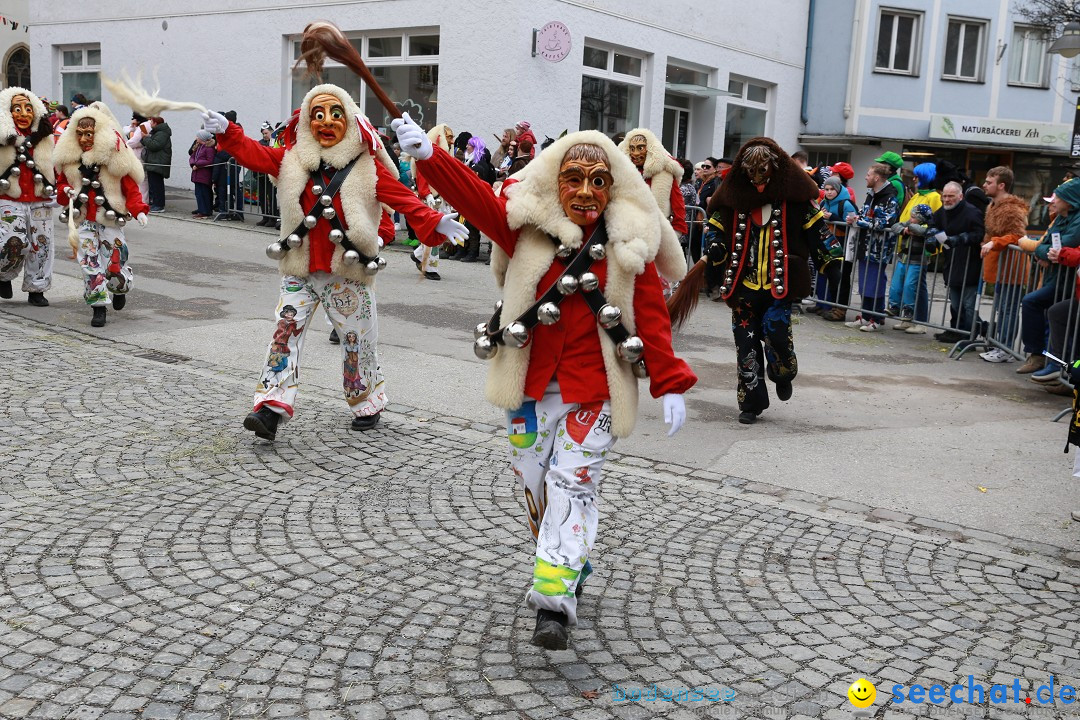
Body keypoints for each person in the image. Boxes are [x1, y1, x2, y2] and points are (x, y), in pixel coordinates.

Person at [394, 114, 694, 650]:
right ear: (555, 178)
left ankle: (553, 600)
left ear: (613, 185)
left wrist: (668, 380)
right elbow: (478, 202)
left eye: (598, 180)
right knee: (535, 484)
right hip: (528, 384)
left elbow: (651, 314)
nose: (585, 191)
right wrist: (429, 158)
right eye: (573, 178)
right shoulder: (526, 224)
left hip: (594, 388)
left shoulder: (630, 239)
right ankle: (569, 557)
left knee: (571, 483)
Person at [200, 84, 466, 440]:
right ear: (308, 122)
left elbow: (402, 198)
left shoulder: (366, 168)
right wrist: (228, 132)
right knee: (283, 336)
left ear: (350, 120)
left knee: (357, 341)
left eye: (335, 113)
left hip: (347, 273)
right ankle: (270, 407)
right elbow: (254, 153)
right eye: (318, 114)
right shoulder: (291, 162)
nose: (326, 121)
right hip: (299, 269)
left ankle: (367, 400)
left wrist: (434, 221)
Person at [676, 138, 833, 424]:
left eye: (764, 171)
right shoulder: (735, 200)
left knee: (776, 330)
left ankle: (783, 372)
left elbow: (817, 228)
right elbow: (715, 227)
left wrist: (831, 261)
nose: (758, 179)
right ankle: (751, 402)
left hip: (777, 287)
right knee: (745, 344)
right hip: (743, 287)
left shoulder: (793, 201)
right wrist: (715, 245)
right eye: (752, 172)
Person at [54, 102, 149, 327]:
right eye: (80, 134)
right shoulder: (70, 162)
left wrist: (139, 211)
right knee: (89, 263)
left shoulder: (115, 160)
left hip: (111, 221)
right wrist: (65, 191)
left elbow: (131, 190)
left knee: (116, 261)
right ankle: (98, 307)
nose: (85, 139)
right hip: (84, 220)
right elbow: (60, 188)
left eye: (90, 134)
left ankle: (119, 288)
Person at [0, 86, 57, 307]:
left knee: (41, 244)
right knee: (11, 241)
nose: (23, 114)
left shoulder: (45, 138)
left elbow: (57, 164)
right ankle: (4, 275)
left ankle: (37, 288)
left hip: (39, 198)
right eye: (17, 108)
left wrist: (58, 189)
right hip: (8, 197)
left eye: (28, 108)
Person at [1018, 180, 1080, 377]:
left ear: (1069, 201)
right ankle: (1042, 357)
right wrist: (1045, 254)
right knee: (1050, 313)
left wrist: (1047, 253)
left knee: (1040, 306)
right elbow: (1044, 245)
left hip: (1069, 282)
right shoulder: (1060, 218)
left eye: (1058, 196)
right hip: (1057, 278)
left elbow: (1065, 246)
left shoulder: (1077, 220)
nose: (1053, 201)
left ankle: (1057, 366)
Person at [978, 166, 1033, 363]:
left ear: (1001, 185)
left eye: (989, 182)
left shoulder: (1012, 208)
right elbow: (991, 231)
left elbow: (1018, 235)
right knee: (1002, 307)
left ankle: (1006, 348)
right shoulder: (992, 205)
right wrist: (986, 241)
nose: (984, 185)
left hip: (1013, 266)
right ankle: (999, 344)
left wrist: (995, 242)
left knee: (1009, 308)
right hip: (1001, 266)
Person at [925, 182, 986, 343]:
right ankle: (956, 331)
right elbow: (933, 224)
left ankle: (969, 335)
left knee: (968, 304)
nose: (947, 199)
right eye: (944, 196)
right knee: (956, 302)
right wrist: (933, 237)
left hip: (970, 262)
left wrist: (958, 239)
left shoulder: (973, 213)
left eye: (951, 196)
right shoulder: (942, 212)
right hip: (952, 262)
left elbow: (979, 234)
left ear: (960, 196)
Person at [845, 163, 899, 332]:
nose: (865, 177)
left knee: (874, 284)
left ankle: (875, 318)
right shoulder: (871, 194)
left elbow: (887, 222)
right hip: (865, 245)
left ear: (876, 177)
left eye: (868, 175)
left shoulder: (890, 197)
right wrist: (855, 218)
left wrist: (859, 221)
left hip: (878, 249)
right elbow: (863, 214)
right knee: (864, 283)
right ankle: (866, 316)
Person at [618, 129, 688, 237]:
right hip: (627, 226)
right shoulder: (624, 173)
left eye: (640, 148)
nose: (635, 153)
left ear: (650, 150)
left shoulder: (665, 174)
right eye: (632, 148)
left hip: (655, 229)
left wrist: (677, 230)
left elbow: (677, 203)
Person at [410, 123, 457, 280]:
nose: (451, 141)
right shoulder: (427, 155)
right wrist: (427, 194)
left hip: (441, 198)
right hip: (432, 198)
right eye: (448, 137)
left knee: (442, 230)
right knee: (434, 231)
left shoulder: (444, 156)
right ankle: (429, 266)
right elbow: (422, 174)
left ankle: (418, 255)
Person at [886, 204, 935, 333]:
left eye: (913, 217)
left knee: (910, 286)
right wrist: (904, 230)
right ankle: (895, 306)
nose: (910, 218)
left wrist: (908, 226)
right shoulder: (908, 224)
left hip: (917, 261)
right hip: (903, 259)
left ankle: (909, 311)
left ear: (921, 218)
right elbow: (895, 226)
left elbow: (922, 231)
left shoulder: (927, 227)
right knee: (896, 284)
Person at [814, 175, 856, 318]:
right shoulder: (823, 203)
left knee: (840, 277)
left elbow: (852, 227)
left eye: (832, 189)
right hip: (827, 243)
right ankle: (824, 304)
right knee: (826, 274)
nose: (829, 192)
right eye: (826, 189)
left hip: (842, 243)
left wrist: (832, 218)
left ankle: (838, 308)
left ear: (838, 190)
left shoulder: (846, 204)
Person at [454, 135, 495, 263]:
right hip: (466, 196)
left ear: (475, 147)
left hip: (476, 198)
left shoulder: (481, 164)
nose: (466, 147)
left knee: (472, 226)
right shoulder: (470, 161)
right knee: (462, 223)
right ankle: (461, 249)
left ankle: (472, 252)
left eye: (469, 145)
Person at [141, 116, 171, 212]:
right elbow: (146, 143)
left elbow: (154, 145)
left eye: (151, 121)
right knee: (153, 184)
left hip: (158, 162)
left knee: (157, 185)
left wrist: (146, 137)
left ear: (156, 123)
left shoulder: (162, 133)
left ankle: (159, 205)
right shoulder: (156, 132)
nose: (150, 123)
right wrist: (144, 136)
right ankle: (155, 203)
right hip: (153, 162)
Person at [256, 121, 280, 226]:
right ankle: (265, 216)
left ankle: (273, 217)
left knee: (271, 196)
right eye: (263, 134)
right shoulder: (260, 142)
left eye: (266, 133)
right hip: (260, 174)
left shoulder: (274, 142)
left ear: (271, 132)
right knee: (262, 196)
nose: (265, 135)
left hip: (270, 174)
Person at [189, 130, 216, 218]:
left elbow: (210, 161)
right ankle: (202, 209)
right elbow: (192, 156)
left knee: (204, 193)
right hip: (197, 173)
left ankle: (204, 211)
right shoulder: (199, 146)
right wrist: (193, 163)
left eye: (198, 136)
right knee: (199, 193)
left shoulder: (209, 148)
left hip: (204, 174)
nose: (196, 138)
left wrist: (198, 164)